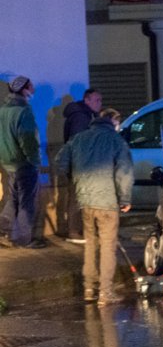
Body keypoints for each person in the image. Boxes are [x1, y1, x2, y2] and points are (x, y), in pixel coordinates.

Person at [57, 109, 134, 306]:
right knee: (108, 247)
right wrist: (125, 199)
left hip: (85, 200)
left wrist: (74, 180)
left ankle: (89, 288)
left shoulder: (79, 138)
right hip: (107, 202)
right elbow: (124, 172)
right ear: (113, 122)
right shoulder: (116, 141)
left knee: (91, 243)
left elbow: (60, 161)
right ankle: (105, 292)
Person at [0, 75, 46, 249]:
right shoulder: (24, 111)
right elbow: (27, 139)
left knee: (12, 198)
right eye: (31, 85)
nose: (33, 89)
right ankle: (23, 239)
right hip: (24, 164)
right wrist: (35, 161)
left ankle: (3, 229)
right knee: (27, 202)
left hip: (8, 162)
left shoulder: (3, 110)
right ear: (24, 89)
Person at [61, 88, 103, 244]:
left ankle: (80, 230)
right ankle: (74, 231)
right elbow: (79, 142)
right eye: (97, 100)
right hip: (80, 165)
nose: (100, 103)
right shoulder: (81, 117)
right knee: (76, 198)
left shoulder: (86, 115)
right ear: (87, 100)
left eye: (100, 100)